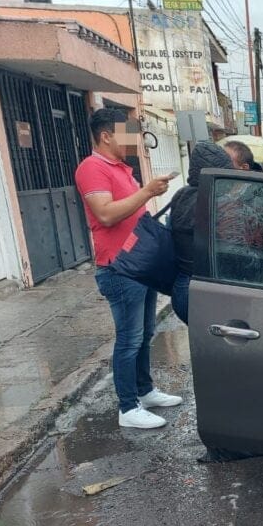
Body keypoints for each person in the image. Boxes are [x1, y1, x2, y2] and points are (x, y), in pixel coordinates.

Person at [74, 108, 183, 429]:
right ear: (106, 135)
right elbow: (105, 214)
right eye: (127, 133)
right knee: (129, 338)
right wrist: (147, 191)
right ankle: (127, 407)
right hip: (118, 269)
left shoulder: (122, 168)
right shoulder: (92, 168)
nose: (133, 141)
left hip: (139, 265)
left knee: (146, 333)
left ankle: (144, 390)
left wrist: (146, 191)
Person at [166, 141, 234, 323]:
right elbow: (233, 249)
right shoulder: (217, 201)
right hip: (206, 291)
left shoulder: (181, 195)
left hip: (182, 287)